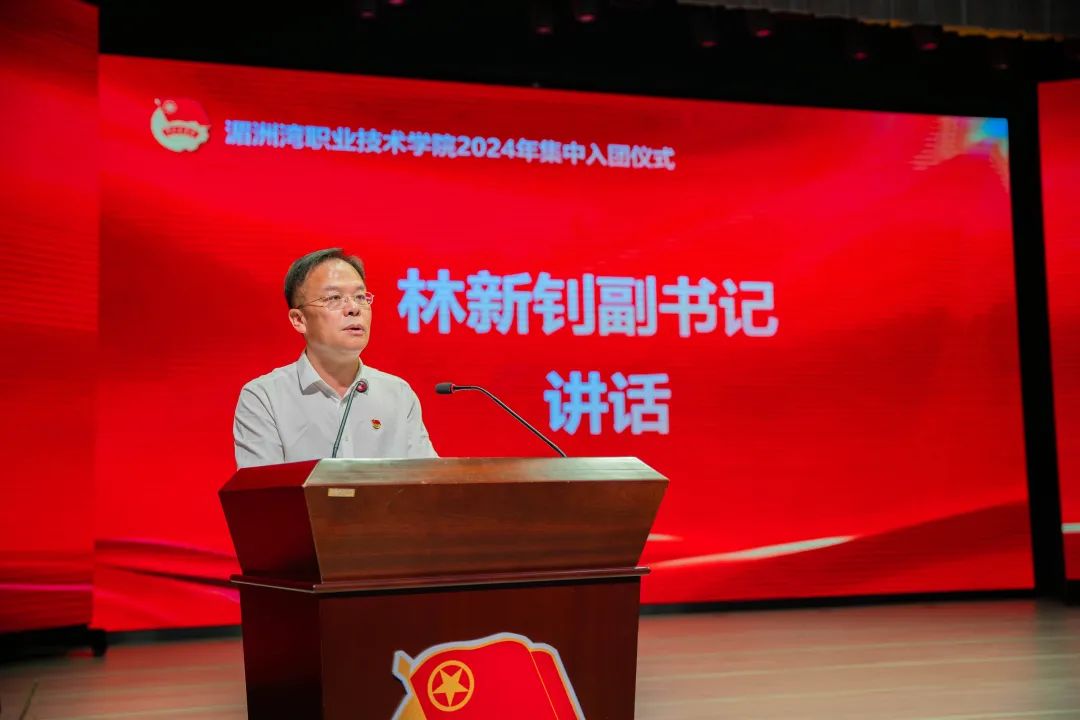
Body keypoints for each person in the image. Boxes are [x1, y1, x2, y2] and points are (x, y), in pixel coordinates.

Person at [233, 248, 437, 468]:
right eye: (334, 298)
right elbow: (263, 489)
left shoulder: (398, 394)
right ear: (299, 319)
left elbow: (428, 481)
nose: (353, 308)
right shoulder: (265, 398)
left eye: (360, 297)